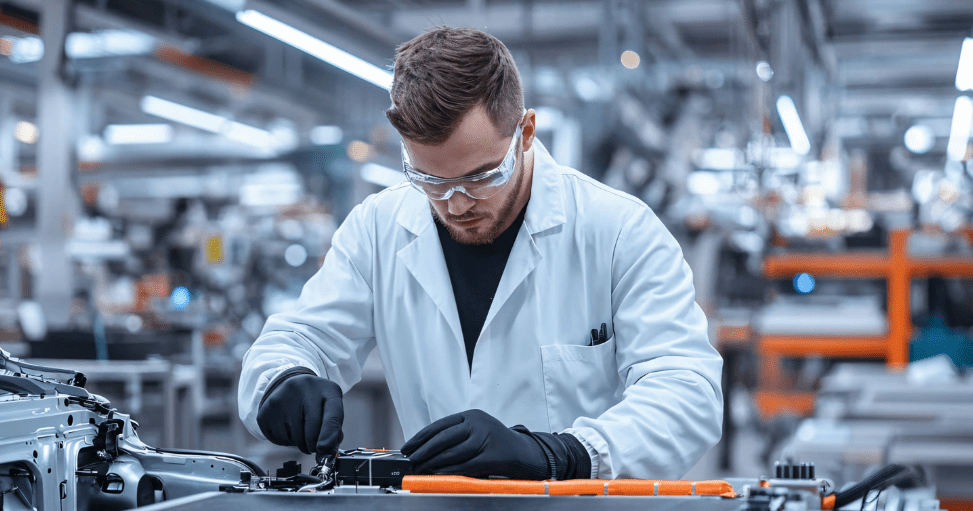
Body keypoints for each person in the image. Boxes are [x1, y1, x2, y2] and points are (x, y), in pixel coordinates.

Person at [239, 26, 722, 481]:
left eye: (481, 176)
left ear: (525, 133)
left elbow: (688, 394)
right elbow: (300, 339)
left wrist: (562, 454)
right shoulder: (377, 229)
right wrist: (283, 380)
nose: (456, 204)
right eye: (430, 180)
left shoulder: (619, 230)